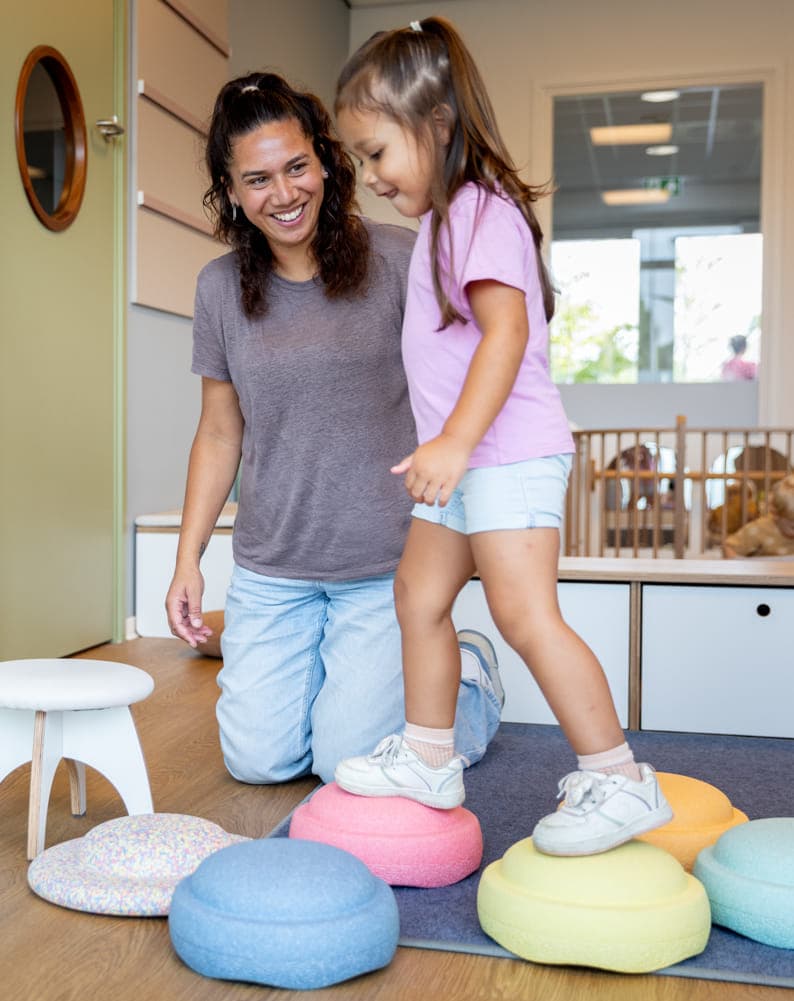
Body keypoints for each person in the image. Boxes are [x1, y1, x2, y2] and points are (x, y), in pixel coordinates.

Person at [332, 17, 671, 856]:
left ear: (437, 125)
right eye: (361, 159)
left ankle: (620, 777)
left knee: (524, 613)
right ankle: (429, 754)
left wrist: (450, 442)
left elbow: (506, 334)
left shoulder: (479, 210)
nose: (368, 176)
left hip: (506, 451)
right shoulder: (447, 222)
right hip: (464, 456)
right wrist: (448, 446)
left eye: (376, 153)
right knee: (417, 595)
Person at [164, 71, 502, 787]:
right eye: (257, 179)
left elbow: (468, 384)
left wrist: (467, 524)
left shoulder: (401, 260)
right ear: (230, 191)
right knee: (258, 763)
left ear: (324, 159)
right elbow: (220, 433)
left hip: (381, 565)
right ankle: (350, 688)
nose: (284, 195)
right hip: (271, 567)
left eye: (296, 167)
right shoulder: (218, 289)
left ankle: (466, 684)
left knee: (341, 763)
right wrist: (188, 558)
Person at [723, 473, 794, 557]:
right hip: (764, 569)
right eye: (793, 527)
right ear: (776, 515)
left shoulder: (785, 520)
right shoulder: (759, 528)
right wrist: (738, 565)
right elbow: (729, 547)